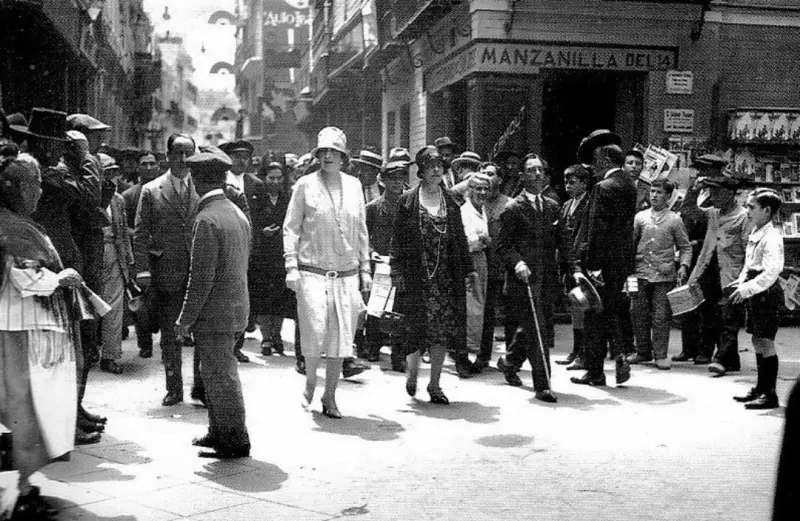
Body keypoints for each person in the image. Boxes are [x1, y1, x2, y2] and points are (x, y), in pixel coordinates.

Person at [0, 154, 81, 516]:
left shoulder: (18, 222)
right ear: (14, 187)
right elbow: (25, 275)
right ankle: (22, 491)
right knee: (27, 407)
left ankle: (23, 486)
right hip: (18, 329)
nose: (39, 191)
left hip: (23, 326)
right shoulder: (14, 226)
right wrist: (60, 279)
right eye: (33, 184)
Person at [24, 110, 106, 443]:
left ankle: (73, 410)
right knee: (66, 347)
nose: (61, 150)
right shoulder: (42, 173)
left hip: (61, 259)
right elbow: (90, 198)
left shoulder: (50, 170)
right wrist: (85, 159)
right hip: (50, 264)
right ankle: (63, 421)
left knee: (76, 342)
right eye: (56, 144)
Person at [283, 127, 372, 418]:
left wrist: (365, 268)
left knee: (340, 336)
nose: (328, 156)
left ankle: (329, 395)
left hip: (346, 273)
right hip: (311, 271)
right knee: (315, 329)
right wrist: (291, 266)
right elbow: (291, 228)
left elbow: (361, 230)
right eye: (324, 152)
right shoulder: (305, 185)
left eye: (334, 151)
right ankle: (310, 381)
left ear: (344, 157)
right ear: (318, 155)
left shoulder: (355, 186)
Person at [176, 151, 251, 459]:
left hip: (214, 314)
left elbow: (200, 277)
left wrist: (185, 318)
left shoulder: (206, 219)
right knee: (215, 374)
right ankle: (218, 430)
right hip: (235, 308)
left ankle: (234, 440)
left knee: (221, 376)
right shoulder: (236, 212)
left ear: (195, 180)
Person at [392, 145, 477, 404]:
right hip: (416, 277)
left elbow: (460, 237)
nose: (437, 171)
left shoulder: (450, 200)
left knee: (441, 332)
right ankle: (413, 373)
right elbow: (397, 239)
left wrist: (469, 270)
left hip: (444, 279)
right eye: (431, 166)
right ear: (421, 170)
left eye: (440, 166)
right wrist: (396, 269)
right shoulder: (407, 201)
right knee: (414, 330)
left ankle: (435, 384)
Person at [495, 154, 573, 403]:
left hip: (547, 279)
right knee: (537, 329)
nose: (537, 174)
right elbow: (503, 246)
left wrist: (575, 268)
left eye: (541, 170)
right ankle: (544, 385)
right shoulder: (513, 209)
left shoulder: (552, 206)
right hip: (523, 281)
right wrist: (517, 262)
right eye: (531, 170)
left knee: (535, 328)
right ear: (522, 176)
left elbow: (564, 241)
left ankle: (509, 361)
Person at [134, 134, 201, 406]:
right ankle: (174, 388)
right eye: (178, 154)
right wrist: (143, 270)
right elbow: (140, 233)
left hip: (199, 269)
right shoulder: (152, 190)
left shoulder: (203, 187)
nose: (183, 160)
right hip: (166, 270)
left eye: (188, 154)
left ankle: (201, 386)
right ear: (168, 156)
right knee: (170, 334)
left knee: (201, 333)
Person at [571, 130, 637, 387]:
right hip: (621, 262)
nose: (593, 167)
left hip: (602, 263)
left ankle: (595, 371)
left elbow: (598, 229)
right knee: (614, 312)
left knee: (594, 316)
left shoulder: (603, 188)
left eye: (597, 161)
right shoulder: (629, 185)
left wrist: (594, 265)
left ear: (607, 161)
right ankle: (620, 355)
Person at [683, 156, 750, 377]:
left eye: (717, 193)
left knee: (729, 319)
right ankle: (731, 361)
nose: (712, 197)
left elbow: (748, 251)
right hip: (709, 269)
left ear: (730, 194)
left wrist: (745, 278)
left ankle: (721, 360)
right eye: (710, 193)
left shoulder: (743, 218)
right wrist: (694, 189)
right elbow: (690, 210)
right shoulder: (713, 214)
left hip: (733, 274)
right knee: (718, 316)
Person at [627, 179, 692, 370]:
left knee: (661, 315)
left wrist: (683, 266)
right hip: (639, 272)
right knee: (636, 312)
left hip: (664, 274)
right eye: (652, 191)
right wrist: (627, 270)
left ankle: (660, 355)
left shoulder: (674, 219)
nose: (654, 195)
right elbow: (631, 244)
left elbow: (685, 247)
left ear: (668, 196)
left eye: (660, 192)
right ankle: (642, 351)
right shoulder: (640, 217)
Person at [729, 188, 784, 409]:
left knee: (766, 341)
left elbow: (771, 272)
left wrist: (746, 289)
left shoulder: (772, 237)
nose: (747, 211)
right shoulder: (756, 231)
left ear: (767, 210)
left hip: (766, 294)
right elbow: (749, 264)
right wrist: (740, 282)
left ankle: (770, 394)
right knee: (756, 339)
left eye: (752, 207)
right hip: (755, 290)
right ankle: (761, 387)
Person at [220, 139, 262, 364]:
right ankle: (224, 343)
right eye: (237, 156)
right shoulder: (221, 183)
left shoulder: (256, 184)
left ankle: (238, 344)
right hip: (226, 245)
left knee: (243, 298)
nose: (241, 160)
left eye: (245, 157)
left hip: (250, 249)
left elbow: (262, 215)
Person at [365, 159, 408, 371]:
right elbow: (364, 236)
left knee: (400, 309)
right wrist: (372, 252)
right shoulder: (373, 208)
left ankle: (398, 355)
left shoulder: (410, 206)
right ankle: (373, 346)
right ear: (383, 181)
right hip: (380, 264)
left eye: (400, 179)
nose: (397, 183)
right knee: (377, 308)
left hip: (401, 264)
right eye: (392, 179)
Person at [96, 154, 134, 374]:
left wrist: (128, 259)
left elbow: (123, 234)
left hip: (114, 255)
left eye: (113, 173)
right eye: (106, 173)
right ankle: (89, 349)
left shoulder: (118, 200)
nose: (110, 179)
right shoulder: (88, 197)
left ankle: (110, 355)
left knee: (114, 307)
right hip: (92, 253)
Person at [252, 161, 293, 356]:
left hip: (282, 255)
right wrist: (262, 232)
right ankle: (266, 338)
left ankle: (277, 335)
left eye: (279, 178)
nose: (275, 182)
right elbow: (250, 223)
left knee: (280, 297)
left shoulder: (289, 199)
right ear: (264, 179)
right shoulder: (256, 199)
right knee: (263, 297)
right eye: (271, 178)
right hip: (262, 255)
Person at [121, 151, 160, 358]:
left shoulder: (165, 192)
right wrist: (139, 234)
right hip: (139, 255)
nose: (148, 168)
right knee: (139, 302)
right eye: (144, 164)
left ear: (158, 166)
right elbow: (121, 227)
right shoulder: (129, 196)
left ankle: (167, 342)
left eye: (151, 164)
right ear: (138, 168)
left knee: (162, 301)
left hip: (162, 255)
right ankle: (145, 343)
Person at [475, 163, 512, 370]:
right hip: (482, 266)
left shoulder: (509, 204)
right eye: (483, 175)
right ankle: (482, 355)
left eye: (491, 174)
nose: (486, 179)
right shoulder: (475, 202)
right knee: (485, 313)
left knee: (510, 314)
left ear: (500, 179)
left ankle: (511, 358)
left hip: (503, 265)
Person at [556, 164, 591, 369]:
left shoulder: (588, 204)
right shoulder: (567, 204)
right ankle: (576, 350)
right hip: (566, 261)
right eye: (566, 182)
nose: (568, 186)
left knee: (583, 307)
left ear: (584, 184)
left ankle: (583, 352)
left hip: (580, 261)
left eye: (573, 182)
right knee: (574, 307)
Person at [461, 173, 491, 365]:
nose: (481, 192)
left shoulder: (482, 210)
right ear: (469, 190)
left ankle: (473, 352)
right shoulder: (465, 211)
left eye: (485, 189)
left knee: (479, 306)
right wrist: (482, 240)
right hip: (470, 261)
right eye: (477, 188)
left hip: (481, 260)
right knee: (471, 306)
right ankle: (464, 354)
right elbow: (468, 240)